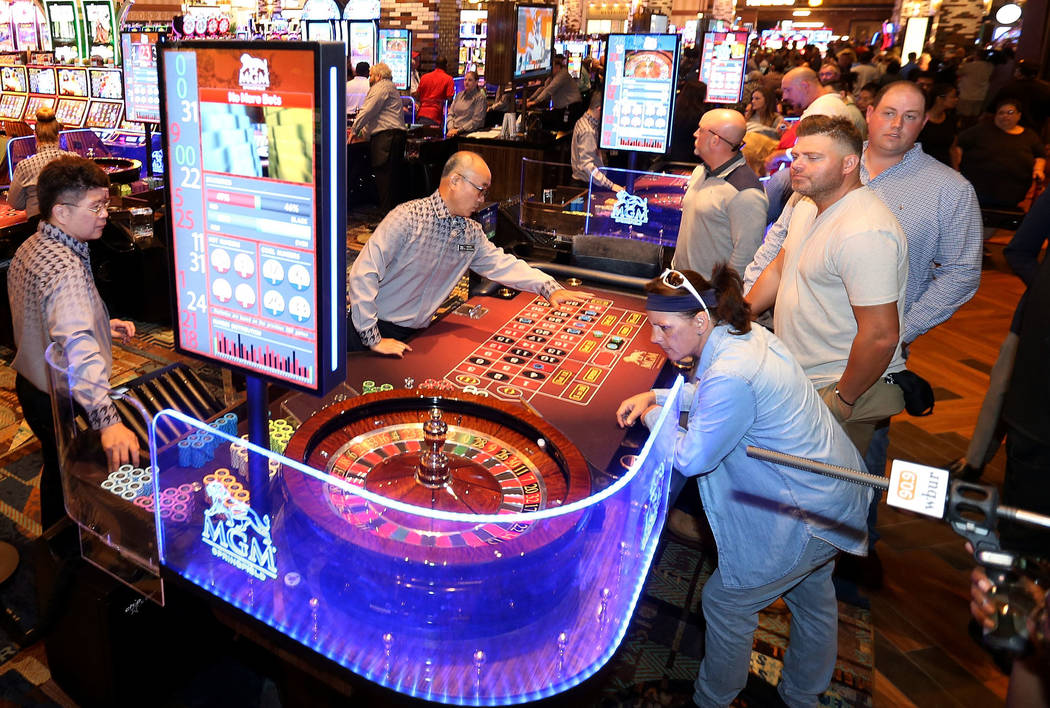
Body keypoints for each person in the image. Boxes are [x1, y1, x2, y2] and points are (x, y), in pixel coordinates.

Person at [616, 266, 870, 708]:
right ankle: (803, 696)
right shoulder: (744, 337)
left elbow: (691, 457)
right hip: (835, 493)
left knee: (725, 603)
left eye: (663, 327)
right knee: (813, 598)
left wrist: (654, 418)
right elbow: (717, 395)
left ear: (699, 321)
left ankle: (712, 701)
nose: (655, 339)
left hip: (806, 511)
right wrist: (659, 398)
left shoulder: (733, 370)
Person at [747, 115, 908, 455]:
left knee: (826, 501)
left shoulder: (864, 230)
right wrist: (738, 316)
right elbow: (780, 267)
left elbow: (881, 335)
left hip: (835, 386)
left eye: (813, 158)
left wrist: (842, 400)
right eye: (797, 157)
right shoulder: (808, 205)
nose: (798, 166)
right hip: (800, 380)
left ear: (850, 163)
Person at [347, 152, 592, 356]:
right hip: (369, 327)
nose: (482, 199)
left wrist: (548, 286)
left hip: (418, 333)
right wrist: (373, 338)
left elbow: (503, 264)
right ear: (454, 181)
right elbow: (363, 273)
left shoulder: (469, 236)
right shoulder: (408, 218)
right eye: (480, 190)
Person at [8, 156, 139, 530]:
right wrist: (107, 420)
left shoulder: (32, 245)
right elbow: (78, 346)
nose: (105, 214)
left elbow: (46, 319)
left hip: (30, 385)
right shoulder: (65, 267)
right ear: (61, 212)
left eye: (105, 204)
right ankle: (67, 549)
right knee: (75, 478)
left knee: (58, 467)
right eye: (96, 206)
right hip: (59, 395)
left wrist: (100, 323)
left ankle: (53, 542)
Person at [673, 109, 767, 280]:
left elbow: (745, 257)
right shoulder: (700, 171)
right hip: (683, 284)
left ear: (715, 140)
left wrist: (720, 296)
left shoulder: (746, 192)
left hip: (710, 294)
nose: (695, 134)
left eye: (700, 130)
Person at [958, 97, 1046, 211]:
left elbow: (1040, 155)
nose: (1005, 116)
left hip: (1014, 192)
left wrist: (1038, 170)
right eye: (1001, 113)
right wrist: (957, 168)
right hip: (979, 191)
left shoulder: (1030, 136)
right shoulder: (980, 130)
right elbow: (957, 145)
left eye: (1010, 112)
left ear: (1019, 115)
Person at [351, 62, 407, 215]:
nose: (369, 79)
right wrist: (363, 132)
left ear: (379, 76)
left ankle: (386, 219)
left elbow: (368, 111)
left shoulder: (381, 86)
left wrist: (354, 131)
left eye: (371, 75)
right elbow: (375, 116)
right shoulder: (390, 87)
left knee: (385, 179)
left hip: (387, 138)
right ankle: (390, 217)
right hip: (394, 137)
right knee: (391, 180)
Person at [7, 107, 79, 220]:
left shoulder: (24, 166)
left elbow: (16, 204)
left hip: (37, 229)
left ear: (35, 135)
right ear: (58, 135)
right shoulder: (75, 159)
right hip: (71, 226)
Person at [570, 89, 623, 193]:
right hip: (585, 185)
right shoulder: (588, 131)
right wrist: (611, 186)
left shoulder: (583, 121)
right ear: (599, 109)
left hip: (587, 182)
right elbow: (588, 166)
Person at [526, 55, 582, 122]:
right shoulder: (552, 76)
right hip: (563, 107)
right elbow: (543, 88)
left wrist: (535, 102)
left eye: (551, 67)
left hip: (571, 107)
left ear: (557, 67)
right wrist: (530, 99)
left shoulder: (562, 74)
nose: (548, 69)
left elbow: (549, 89)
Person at [920, 83, 960, 166]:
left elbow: (952, 148)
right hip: (923, 166)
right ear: (939, 99)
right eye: (953, 97)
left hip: (944, 166)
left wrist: (956, 171)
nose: (956, 99)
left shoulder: (951, 120)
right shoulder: (921, 120)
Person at [445, 71, 487, 137]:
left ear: (476, 82)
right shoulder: (459, 95)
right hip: (452, 132)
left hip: (469, 134)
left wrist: (458, 130)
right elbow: (450, 114)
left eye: (470, 80)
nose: (466, 82)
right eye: (465, 80)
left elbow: (476, 121)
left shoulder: (480, 98)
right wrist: (451, 128)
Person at [415, 56, 455, 126]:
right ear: (446, 66)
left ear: (435, 65)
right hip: (436, 115)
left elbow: (418, 94)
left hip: (421, 114)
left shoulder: (424, 77)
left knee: (421, 135)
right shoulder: (448, 79)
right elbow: (450, 97)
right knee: (434, 136)